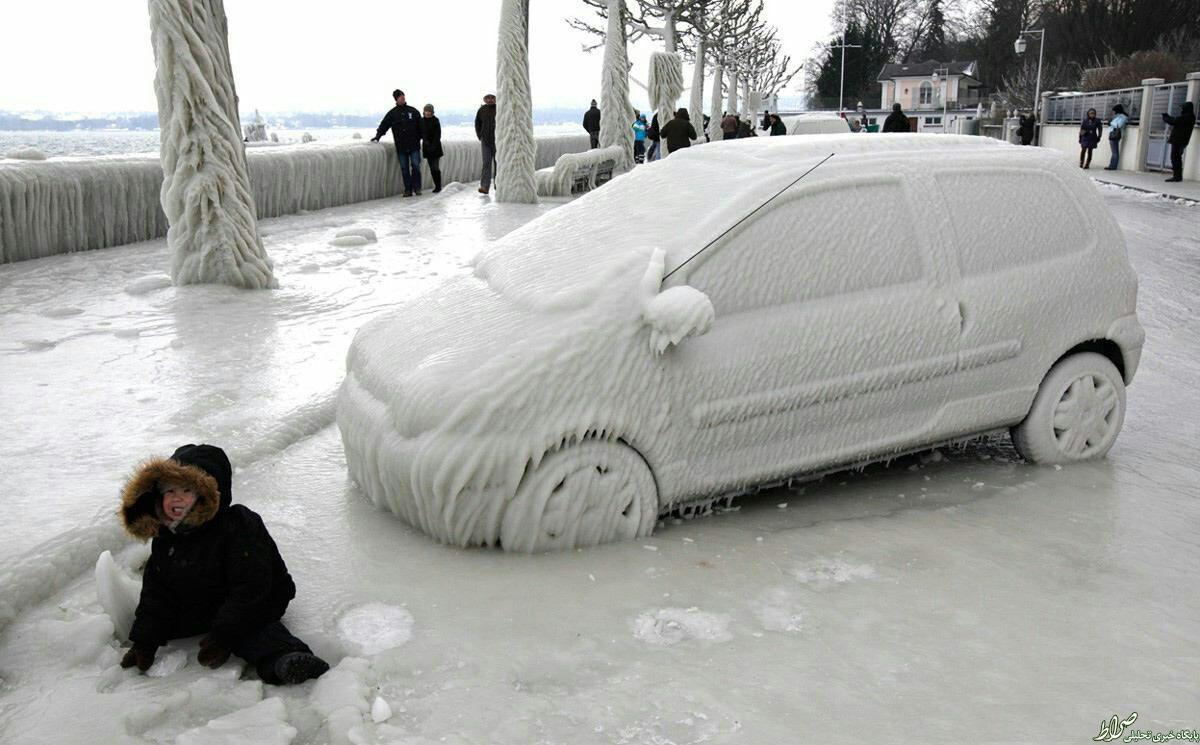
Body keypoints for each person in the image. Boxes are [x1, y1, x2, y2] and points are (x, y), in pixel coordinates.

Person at [118, 444, 329, 685]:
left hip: (257, 597)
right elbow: (157, 593)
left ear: (208, 494)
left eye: (187, 490)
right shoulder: (167, 538)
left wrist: (223, 635)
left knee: (254, 631)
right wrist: (145, 641)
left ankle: (286, 659)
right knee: (166, 621)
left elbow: (252, 587)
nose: (176, 498)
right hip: (206, 601)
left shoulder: (237, 525)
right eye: (169, 491)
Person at [371, 89, 423, 196]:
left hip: (414, 145)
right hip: (401, 146)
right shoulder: (392, 114)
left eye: (403, 96)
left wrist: (422, 137)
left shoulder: (413, 111)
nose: (402, 98)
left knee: (415, 165)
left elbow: (421, 126)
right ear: (396, 99)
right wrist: (377, 136)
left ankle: (417, 188)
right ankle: (408, 189)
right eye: (400, 96)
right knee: (404, 169)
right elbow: (384, 125)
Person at [1162, 101, 1195, 183]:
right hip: (1180, 140)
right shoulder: (1187, 116)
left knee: (1175, 158)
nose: (1181, 109)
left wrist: (1166, 117)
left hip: (1179, 141)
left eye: (1182, 108)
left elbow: (1174, 121)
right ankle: (1177, 175)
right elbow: (1176, 120)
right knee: (1176, 158)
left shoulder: (1188, 117)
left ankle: (1177, 176)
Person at [474, 93, 497, 194]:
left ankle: (499, 185)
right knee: (486, 163)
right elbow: (477, 123)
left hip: (498, 140)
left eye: (492, 98)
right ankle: (484, 186)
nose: (490, 100)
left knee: (498, 163)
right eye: (488, 98)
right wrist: (480, 135)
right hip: (486, 141)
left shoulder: (500, 108)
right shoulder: (482, 110)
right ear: (485, 99)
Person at [421, 104, 444, 193]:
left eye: (429, 111)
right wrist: (426, 142)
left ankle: (438, 186)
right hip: (426, 147)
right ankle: (437, 186)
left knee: (435, 167)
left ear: (432, 112)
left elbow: (438, 135)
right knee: (432, 168)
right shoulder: (422, 121)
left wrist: (433, 146)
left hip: (435, 148)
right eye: (426, 111)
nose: (427, 113)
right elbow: (422, 133)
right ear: (424, 112)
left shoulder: (435, 120)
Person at [1104, 104, 1128, 171]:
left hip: (1115, 135)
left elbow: (1118, 125)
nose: (1113, 112)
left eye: (1114, 111)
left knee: (1115, 152)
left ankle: (1113, 166)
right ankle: (1111, 165)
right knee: (1114, 151)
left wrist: (1111, 123)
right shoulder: (1117, 117)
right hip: (1112, 134)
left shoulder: (1123, 117)